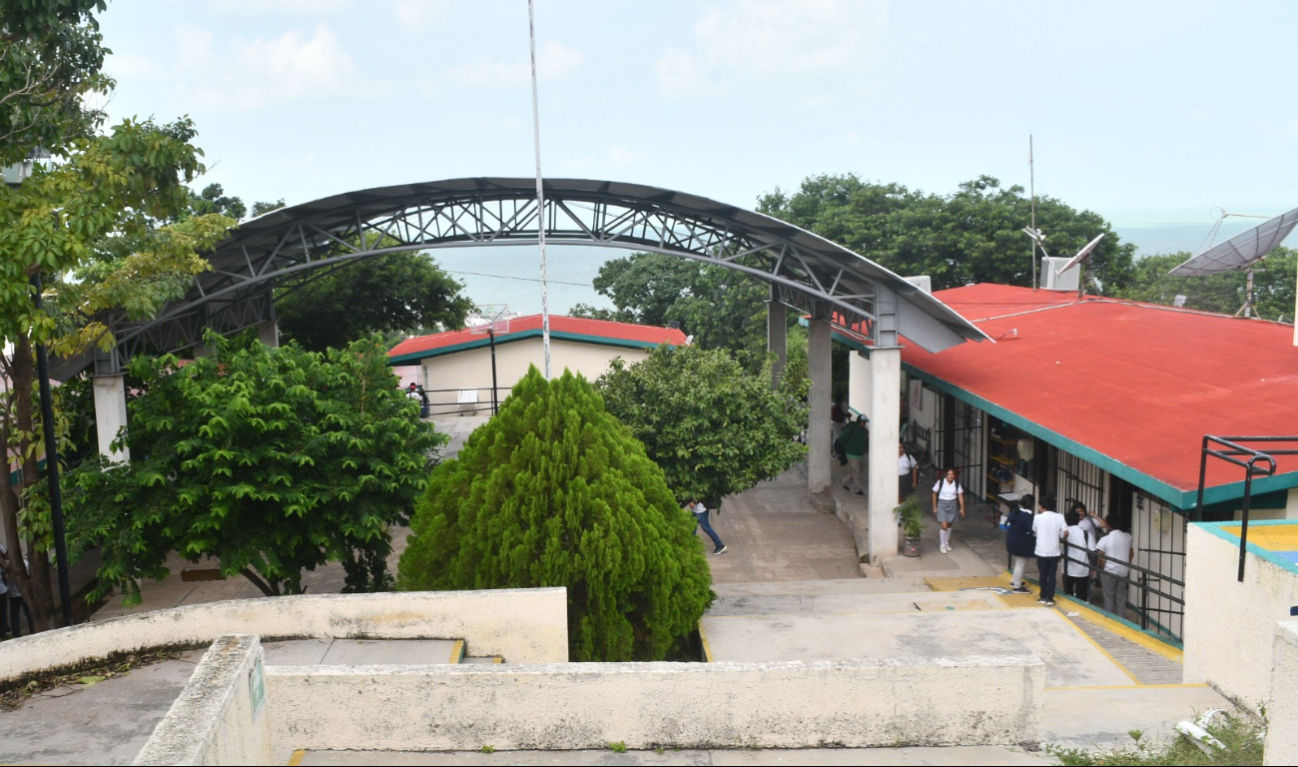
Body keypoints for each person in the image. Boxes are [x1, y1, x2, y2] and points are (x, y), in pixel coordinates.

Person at [1096, 515, 1134, 616]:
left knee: (1109, 596)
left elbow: (1100, 557)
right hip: (1123, 571)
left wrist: (1102, 568)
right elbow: (1131, 553)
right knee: (1120, 596)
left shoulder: (1105, 539)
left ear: (1108, 525)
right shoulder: (1128, 537)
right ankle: (1121, 619)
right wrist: (1127, 565)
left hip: (1110, 570)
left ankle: (1109, 618)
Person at [1031, 495, 1066, 606]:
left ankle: (1042, 596)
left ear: (1042, 506)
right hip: (1054, 551)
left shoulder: (1038, 517)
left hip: (1041, 550)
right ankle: (1050, 598)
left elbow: (1034, 530)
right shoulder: (1060, 516)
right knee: (1052, 575)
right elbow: (1065, 531)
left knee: (1042, 574)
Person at [1004, 495, 1035, 594]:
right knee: (1021, 564)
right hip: (1021, 543)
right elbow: (1032, 530)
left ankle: (1015, 581)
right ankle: (1017, 586)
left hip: (1012, 540)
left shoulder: (1016, 512)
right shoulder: (1027, 516)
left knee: (1018, 563)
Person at [1062, 510, 1094, 602]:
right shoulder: (1086, 534)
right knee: (1081, 595)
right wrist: (1092, 567)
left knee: (1067, 594)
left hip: (1067, 569)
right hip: (1083, 569)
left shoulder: (1064, 532)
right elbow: (1093, 552)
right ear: (1078, 520)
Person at [930, 468, 965, 554]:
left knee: (949, 525)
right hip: (942, 504)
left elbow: (960, 496)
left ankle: (946, 542)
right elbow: (934, 493)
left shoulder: (956, 484)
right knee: (944, 526)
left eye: (952, 474)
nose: (951, 476)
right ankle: (942, 544)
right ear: (946, 475)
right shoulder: (941, 482)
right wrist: (934, 507)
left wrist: (962, 508)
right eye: (949, 474)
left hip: (952, 504)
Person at [839, 414, 869, 496]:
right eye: (863, 421)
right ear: (859, 421)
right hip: (851, 454)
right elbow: (842, 438)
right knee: (856, 471)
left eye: (865, 422)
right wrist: (848, 447)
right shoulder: (852, 428)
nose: (864, 423)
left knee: (857, 471)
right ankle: (858, 488)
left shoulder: (865, 431)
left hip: (861, 454)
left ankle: (844, 480)